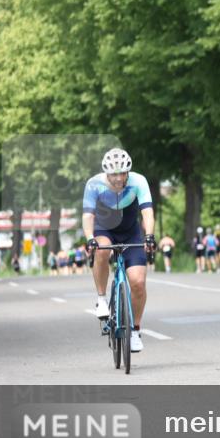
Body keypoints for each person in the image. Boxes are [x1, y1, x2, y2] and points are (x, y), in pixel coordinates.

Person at [82, 148, 156, 354]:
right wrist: (90, 238)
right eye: (113, 174)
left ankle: (135, 331)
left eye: (122, 173)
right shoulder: (93, 184)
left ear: (127, 173)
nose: (117, 178)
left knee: (138, 283)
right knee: (102, 251)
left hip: (131, 231)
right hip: (105, 230)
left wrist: (149, 235)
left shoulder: (139, 182)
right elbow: (88, 215)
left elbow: (147, 212)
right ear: (106, 173)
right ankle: (101, 299)